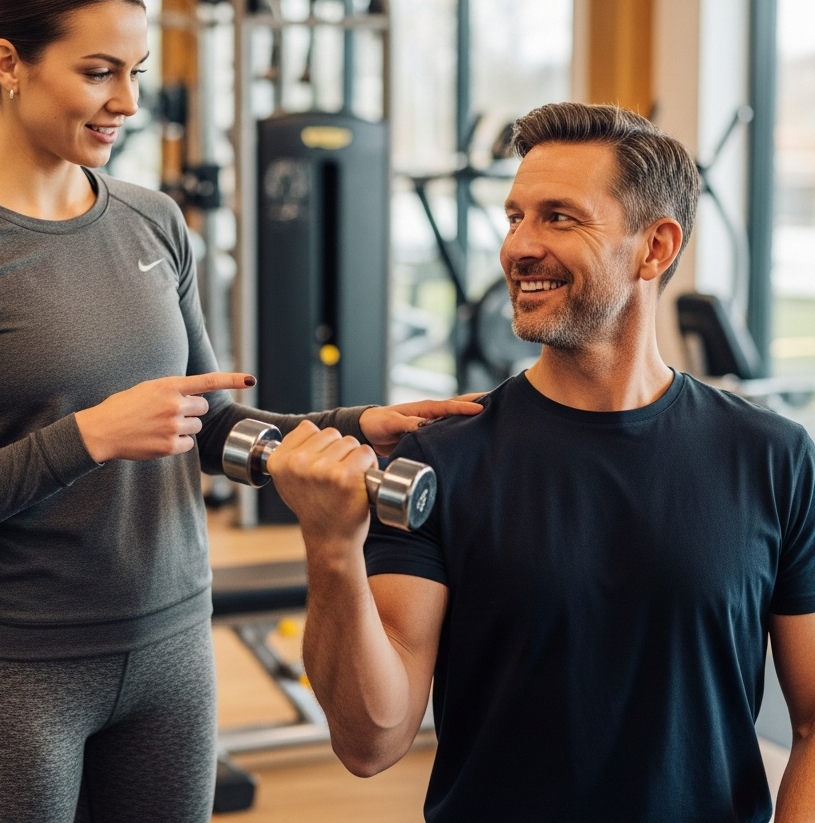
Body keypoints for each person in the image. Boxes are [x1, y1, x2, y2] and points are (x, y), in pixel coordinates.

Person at [0, 0, 480, 823]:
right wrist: (88, 438)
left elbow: (205, 426)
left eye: (137, 72)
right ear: (7, 64)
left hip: (173, 648)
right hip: (20, 669)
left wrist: (346, 424)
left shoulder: (152, 221)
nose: (127, 103)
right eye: (100, 71)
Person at [265, 101, 815, 823]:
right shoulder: (440, 459)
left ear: (654, 248)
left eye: (559, 217)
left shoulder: (772, 457)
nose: (519, 247)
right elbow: (372, 741)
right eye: (515, 216)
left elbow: (811, 723)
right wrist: (332, 548)